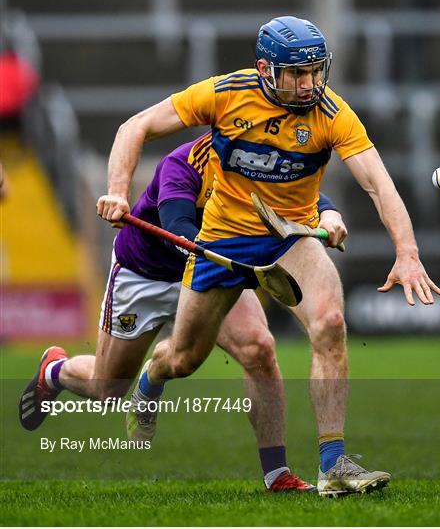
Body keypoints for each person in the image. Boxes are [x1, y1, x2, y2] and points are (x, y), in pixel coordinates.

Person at [97, 16, 440, 496]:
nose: (309, 85)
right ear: (265, 69)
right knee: (184, 359)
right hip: (219, 241)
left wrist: (406, 252)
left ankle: (332, 465)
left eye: (317, 72)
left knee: (329, 323)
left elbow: (378, 183)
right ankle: (154, 373)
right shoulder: (223, 94)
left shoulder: (333, 113)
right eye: (296, 75)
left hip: (289, 237)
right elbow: (134, 127)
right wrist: (117, 192)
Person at [18, 131, 345, 492]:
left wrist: (328, 213)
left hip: (212, 271)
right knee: (107, 388)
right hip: (145, 274)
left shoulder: (258, 163)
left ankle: (276, 475)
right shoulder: (181, 165)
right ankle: (54, 371)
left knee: (259, 348)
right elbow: (178, 226)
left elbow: (303, 196)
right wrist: (233, 256)